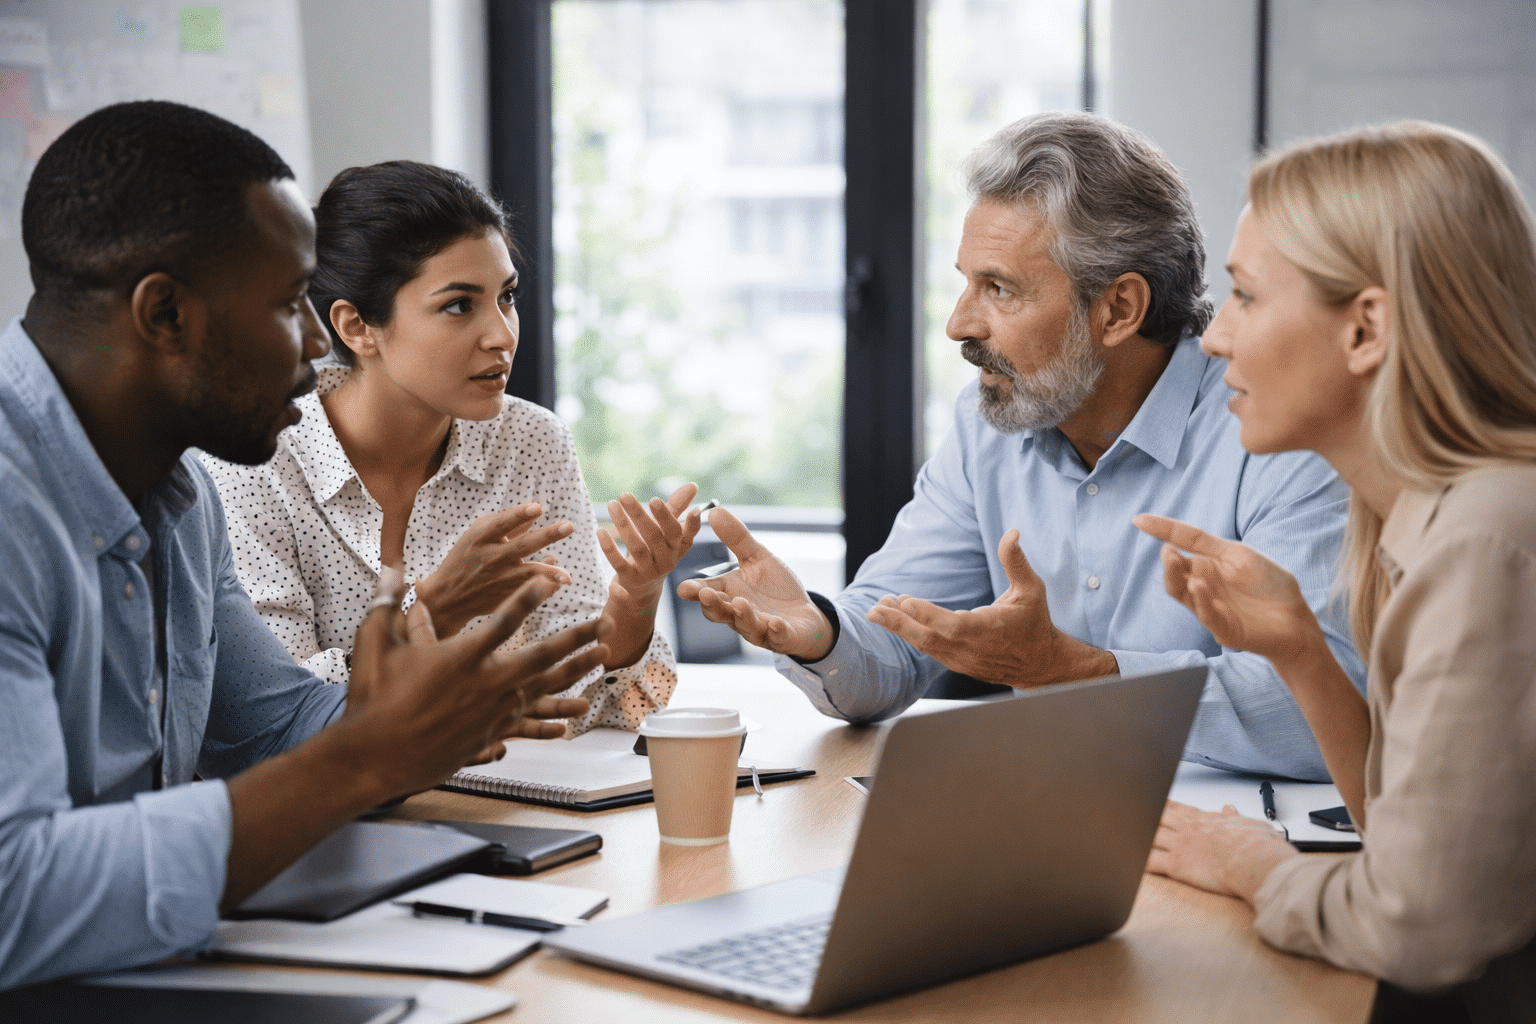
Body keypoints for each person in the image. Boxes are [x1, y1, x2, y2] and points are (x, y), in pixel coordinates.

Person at [0, 101, 610, 990]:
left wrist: (424, 711)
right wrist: (365, 754)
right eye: (290, 307)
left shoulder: (182, 497)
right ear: (165, 315)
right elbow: (15, 899)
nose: (319, 349)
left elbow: (272, 732)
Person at [680, 111, 1365, 780]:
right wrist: (821, 632)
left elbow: (1327, 699)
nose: (957, 324)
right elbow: (895, 636)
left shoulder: (1274, 427)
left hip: (1252, 844)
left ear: (1119, 309)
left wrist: (1077, 671)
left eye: (999, 288)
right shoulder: (990, 428)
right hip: (1053, 826)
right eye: (965, 281)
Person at [1138, 122, 1536, 1016]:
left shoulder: (1485, 543)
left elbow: (1418, 927)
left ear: (1366, 330)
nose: (1214, 339)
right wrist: (1302, 658)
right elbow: (1408, 839)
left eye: (1243, 297)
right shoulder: (1415, 518)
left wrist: (1253, 867)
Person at [201, 161, 698, 735]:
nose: (503, 334)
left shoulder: (531, 440)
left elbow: (574, 688)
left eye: (506, 297)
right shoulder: (254, 457)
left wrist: (635, 596)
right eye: (460, 305)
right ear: (358, 327)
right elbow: (277, 714)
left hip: (503, 796)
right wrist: (433, 613)